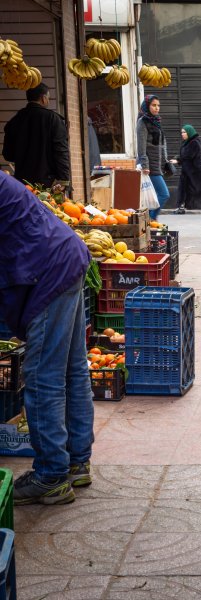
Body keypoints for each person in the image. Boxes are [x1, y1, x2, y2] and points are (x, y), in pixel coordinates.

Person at [0, 172, 93, 505]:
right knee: (71, 369)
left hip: (49, 272)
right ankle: (77, 461)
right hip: (64, 257)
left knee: (42, 376)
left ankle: (51, 475)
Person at [2, 83, 71, 188]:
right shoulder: (53, 119)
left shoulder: (15, 121)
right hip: (49, 184)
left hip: (23, 184)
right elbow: (61, 151)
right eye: (48, 98)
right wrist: (64, 181)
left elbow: (8, 155)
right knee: (49, 205)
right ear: (43, 98)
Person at [136, 94, 176, 220]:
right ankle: (151, 219)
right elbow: (141, 146)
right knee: (164, 194)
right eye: (154, 105)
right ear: (147, 106)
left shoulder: (156, 121)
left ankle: (150, 220)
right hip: (150, 165)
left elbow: (161, 144)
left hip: (157, 164)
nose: (157, 108)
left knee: (154, 195)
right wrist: (145, 165)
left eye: (158, 105)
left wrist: (165, 161)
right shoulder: (143, 122)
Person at [171, 124, 201, 213]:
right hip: (187, 171)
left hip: (195, 171)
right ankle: (181, 206)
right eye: (182, 132)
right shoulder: (186, 142)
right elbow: (184, 155)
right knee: (184, 189)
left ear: (189, 132)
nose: (182, 134)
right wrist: (177, 158)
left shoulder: (194, 142)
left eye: (184, 132)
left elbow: (189, 155)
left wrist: (178, 160)